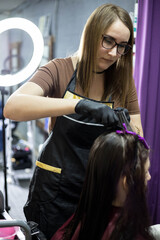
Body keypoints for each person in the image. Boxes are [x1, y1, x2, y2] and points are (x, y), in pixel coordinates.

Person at [3, 3, 143, 239]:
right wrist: (77, 104)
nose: (113, 52)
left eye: (121, 46)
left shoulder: (123, 83)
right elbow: (13, 107)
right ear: (91, 33)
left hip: (100, 192)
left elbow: (138, 138)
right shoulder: (59, 69)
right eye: (108, 41)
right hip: (55, 192)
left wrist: (126, 128)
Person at [52, 124, 155, 240]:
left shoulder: (82, 221)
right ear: (126, 182)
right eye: (145, 172)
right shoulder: (127, 233)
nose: (149, 177)